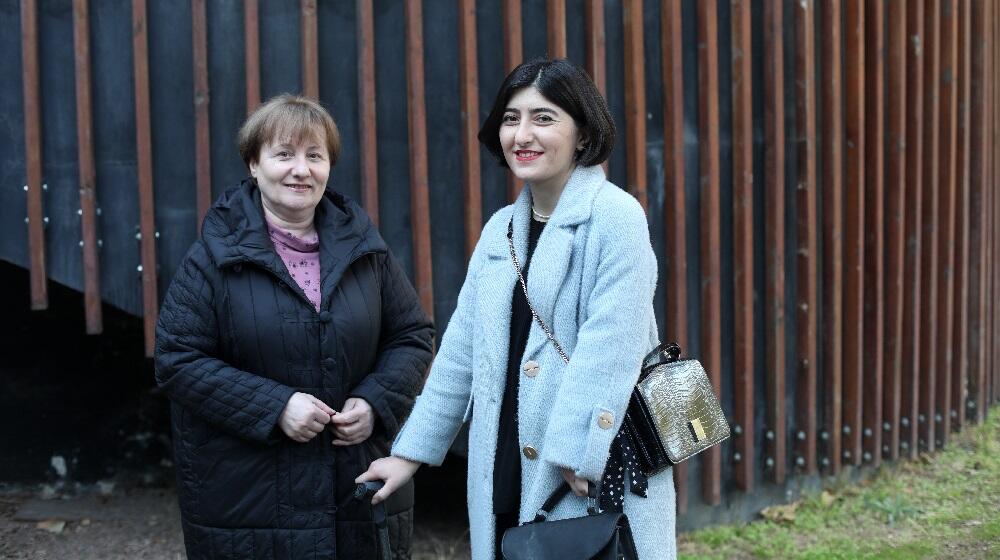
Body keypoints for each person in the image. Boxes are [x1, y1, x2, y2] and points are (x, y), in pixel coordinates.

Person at [358, 58, 677, 559]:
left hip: (584, 461)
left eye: (544, 118)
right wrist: (409, 454)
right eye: (511, 118)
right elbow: (461, 353)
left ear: (583, 133)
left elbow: (612, 342)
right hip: (506, 456)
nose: (522, 134)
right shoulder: (500, 229)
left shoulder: (615, 217)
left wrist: (577, 451)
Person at [154, 94, 434, 559]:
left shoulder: (365, 249)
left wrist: (375, 400)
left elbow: (412, 335)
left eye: (314, 156)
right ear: (254, 165)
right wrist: (275, 405)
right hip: (249, 497)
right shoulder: (213, 255)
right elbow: (177, 359)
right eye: (283, 154)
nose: (300, 169)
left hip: (353, 483)